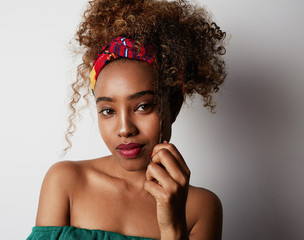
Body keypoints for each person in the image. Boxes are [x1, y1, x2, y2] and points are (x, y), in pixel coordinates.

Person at [27, 0, 226, 239]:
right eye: (108, 111)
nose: (124, 129)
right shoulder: (65, 182)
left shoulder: (201, 207)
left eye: (143, 106)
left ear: (173, 106)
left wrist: (172, 228)